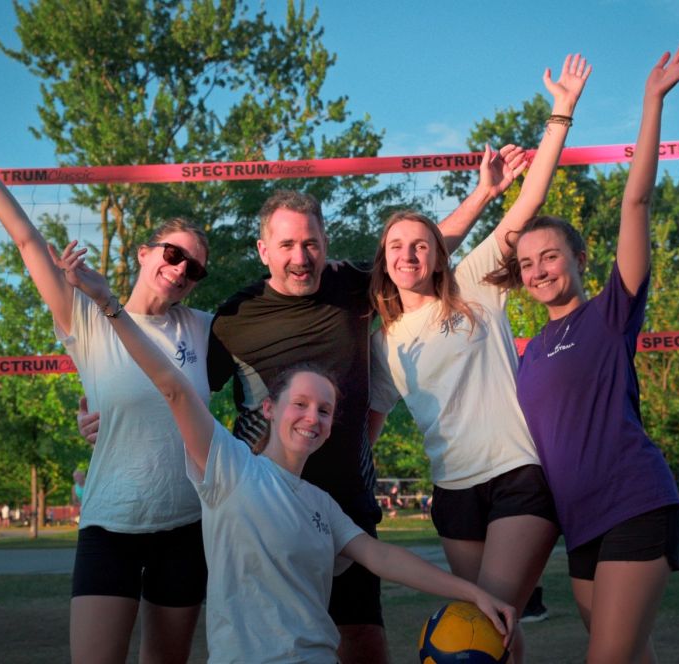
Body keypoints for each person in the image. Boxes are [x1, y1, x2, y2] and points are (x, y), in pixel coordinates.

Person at [60, 243, 518, 663]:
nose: (312, 417)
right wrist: (110, 306)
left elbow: (385, 560)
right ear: (270, 407)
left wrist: (471, 593)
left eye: (324, 410)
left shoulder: (322, 506)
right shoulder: (229, 467)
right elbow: (173, 389)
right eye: (300, 404)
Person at [203, 148, 523, 662]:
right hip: (266, 506)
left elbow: (423, 253)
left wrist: (484, 192)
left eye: (310, 243)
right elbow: (185, 393)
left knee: (363, 641)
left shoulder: (351, 286)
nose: (300, 256)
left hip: (347, 503)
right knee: (266, 641)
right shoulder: (234, 318)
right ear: (264, 250)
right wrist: (106, 411)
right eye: (287, 245)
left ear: (325, 243)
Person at [0, 121, 211, 664]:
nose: (181, 270)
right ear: (145, 252)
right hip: (111, 523)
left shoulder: (200, 327)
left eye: (194, 268)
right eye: (173, 255)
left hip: (184, 526)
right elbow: (27, 237)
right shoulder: (85, 311)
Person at [368, 53, 590, 663]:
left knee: (482, 620)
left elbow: (531, 198)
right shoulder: (382, 338)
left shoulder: (474, 285)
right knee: (501, 631)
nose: (409, 254)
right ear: (384, 259)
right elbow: (372, 421)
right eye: (396, 246)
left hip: (519, 473)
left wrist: (560, 112)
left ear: (438, 256)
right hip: (453, 492)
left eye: (421, 245)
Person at [493, 38, 679, 663]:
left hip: (634, 502)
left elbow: (635, 200)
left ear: (578, 260)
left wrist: (652, 99)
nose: (537, 270)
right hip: (579, 524)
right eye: (527, 263)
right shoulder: (530, 351)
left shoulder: (610, 314)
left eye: (550, 256)